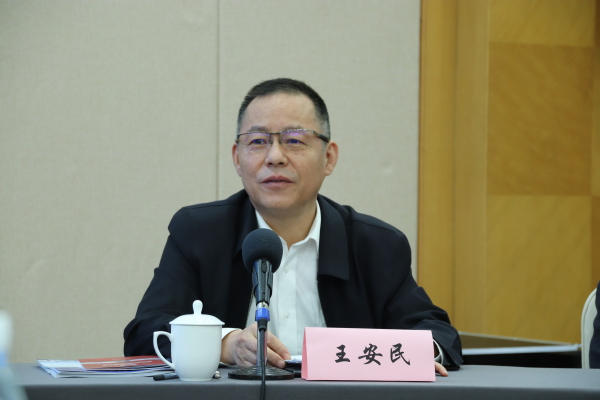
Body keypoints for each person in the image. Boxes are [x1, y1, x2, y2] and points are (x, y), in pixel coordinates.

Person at [123, 78, 463, 375]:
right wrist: (225, 345)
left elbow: (437, 335)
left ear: (329, 158)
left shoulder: (376, 245)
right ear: (237, 158)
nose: (275, 156)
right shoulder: (199, 233)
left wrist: (416, 356)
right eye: (258, 141)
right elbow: (145, 333)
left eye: (295, 140)